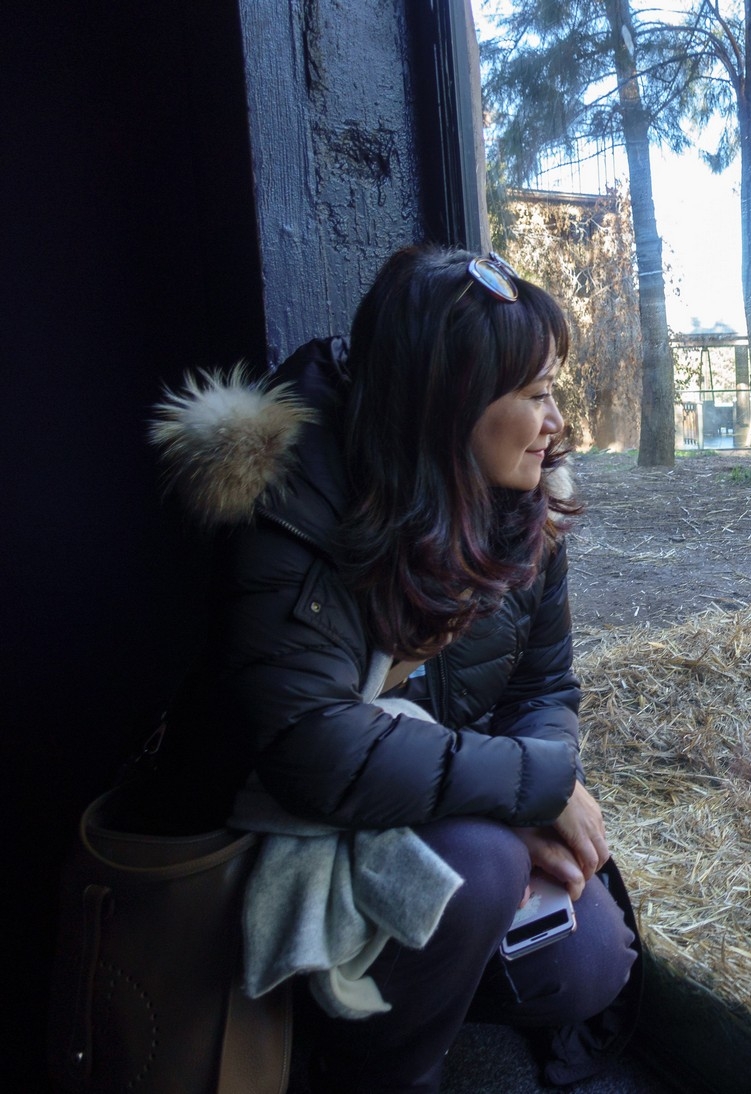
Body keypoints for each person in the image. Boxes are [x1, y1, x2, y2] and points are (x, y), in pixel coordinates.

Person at [145, 244, 639, 1092]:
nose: (558, 421)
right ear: (445, 403)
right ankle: (373, 1066)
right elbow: (315, 749)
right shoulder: (297, 501)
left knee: (589, 963)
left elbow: (544, 686)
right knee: (479, 869)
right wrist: (532, 785)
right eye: (534, 395)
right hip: (277, 836)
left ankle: (404, 990)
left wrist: (529, 791)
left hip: (432, 799)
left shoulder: (526, 505)